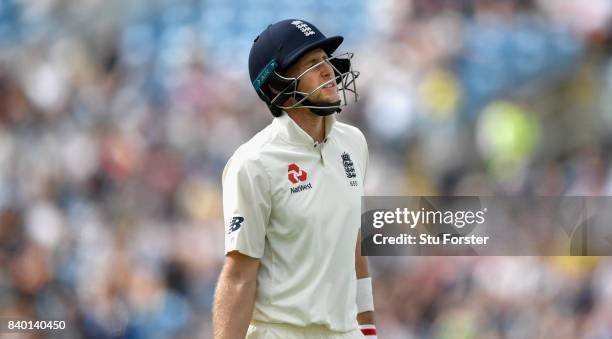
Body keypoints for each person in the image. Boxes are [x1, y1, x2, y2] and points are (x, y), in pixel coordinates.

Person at [213, 19, 376, 339]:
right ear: (277, 86)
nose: (328, 70)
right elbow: (239, 276)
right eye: (313, 64)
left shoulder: (354, 143)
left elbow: (354, 243)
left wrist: (367, 329)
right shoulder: (254, 163)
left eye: (326, 60)